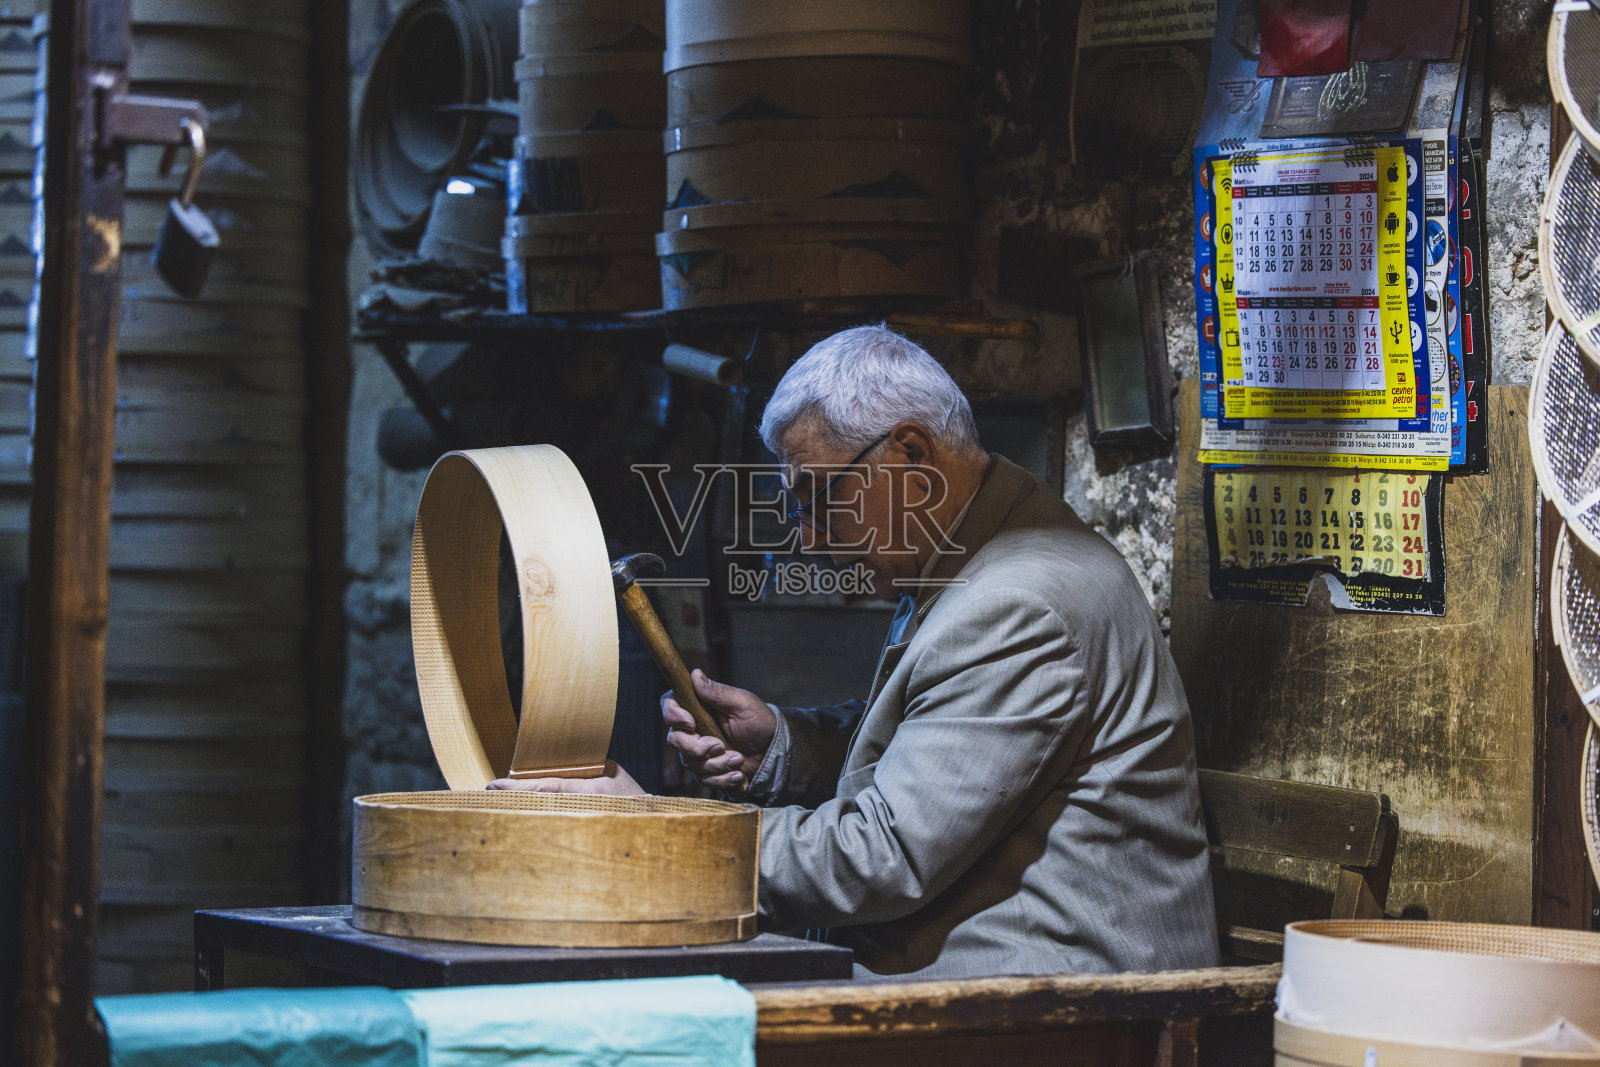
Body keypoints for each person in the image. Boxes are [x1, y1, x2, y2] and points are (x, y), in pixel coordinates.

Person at [493, 325, 1219, 979]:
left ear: (909, 451)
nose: (809, 536)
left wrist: (657, 831)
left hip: (1060, 1002)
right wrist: (784, 744)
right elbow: (937, 744)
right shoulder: (976, 551)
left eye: (817, 496)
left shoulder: (1019, 603)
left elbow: (882, 856)